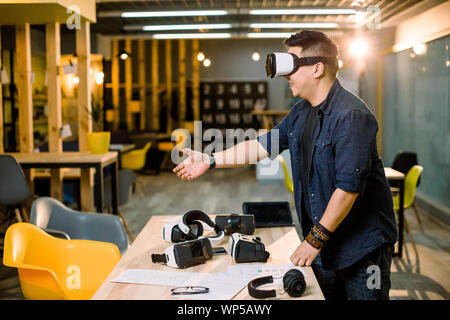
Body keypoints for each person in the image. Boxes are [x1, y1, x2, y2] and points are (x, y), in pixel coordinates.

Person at [173, 30, 397, 300]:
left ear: (317, 68)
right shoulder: (302, 112)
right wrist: (210, 160)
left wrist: (314, 240)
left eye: (292, 65)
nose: (285, 75)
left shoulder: (351, 116)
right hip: (325, 242)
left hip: (363, 247)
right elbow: (260, 145)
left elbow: (347, 189)